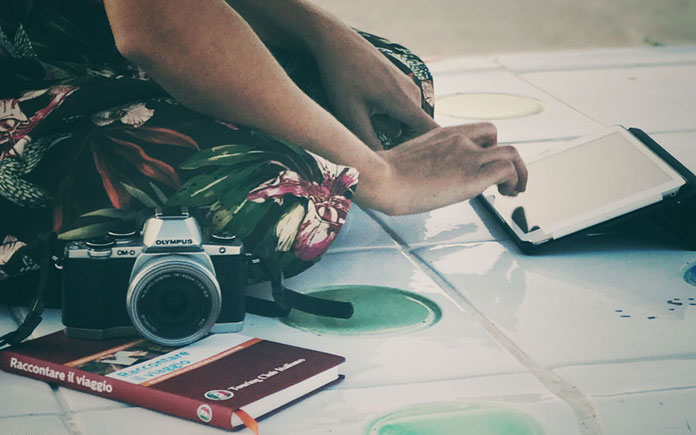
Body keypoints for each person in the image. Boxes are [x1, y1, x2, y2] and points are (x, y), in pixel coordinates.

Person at [0, 0, 526, 305]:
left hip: (75, 53)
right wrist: (384, 176)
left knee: (392, 86)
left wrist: (325, 38)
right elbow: (161, 27)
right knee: (263, 192)